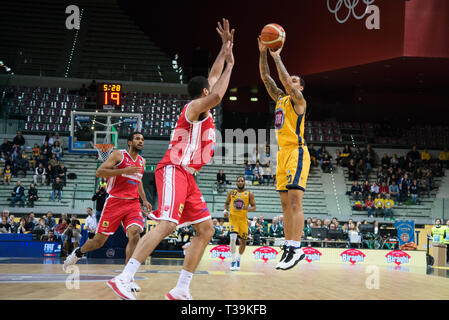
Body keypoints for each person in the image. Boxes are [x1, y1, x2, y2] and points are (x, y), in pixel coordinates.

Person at [107, 19, 235, 301]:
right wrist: (231, 65)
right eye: (208, 91)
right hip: (174, 169)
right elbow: (215, 92)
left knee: (206, 229)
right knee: (167, 224)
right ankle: (123, 278)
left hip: (188, 176)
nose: (211, 91)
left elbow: (211, 79)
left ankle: (181, 288)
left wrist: (225, 49)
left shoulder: (201, 101)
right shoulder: (194, 108)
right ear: (203, 94)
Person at [63, 131, 152, 295]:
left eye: (142, 139)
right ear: (130, 142)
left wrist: (144, 199)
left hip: (132, 203)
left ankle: (127, 277)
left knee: (135, 234)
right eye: (138, 139)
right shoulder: (119, 155)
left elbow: (138, 180)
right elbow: (100, 172)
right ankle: (77, 253)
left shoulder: (142, 161)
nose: (141, 141)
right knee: (98, 242)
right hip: (115, 201)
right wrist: (124, 171)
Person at [258, 34, 309, 270]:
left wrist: (277, 58)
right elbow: (266, 78)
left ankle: (297, 247)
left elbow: (284, 80)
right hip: (281, 154)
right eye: (292, 80)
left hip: (297, 152)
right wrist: (262, 52)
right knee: (285, 205)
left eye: (296, 80)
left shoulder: (299, 101)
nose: (291, 82)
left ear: (300, 88)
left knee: (296, 202)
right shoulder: (280, 99)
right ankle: (289, 246)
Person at [224, 176, 256, 271]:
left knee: (243, 242)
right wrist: (225, 210)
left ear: (244, 182)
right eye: (239, 181)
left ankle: (238, 259)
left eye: (242, 181)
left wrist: (247, 208)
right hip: (233, 218)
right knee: (233, 239)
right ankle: (233, 259)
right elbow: (226, 203)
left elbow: (254, 207)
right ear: (236, 182)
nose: (240, 182)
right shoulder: (231, 192)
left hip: (243, 220)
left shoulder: (249, 193)